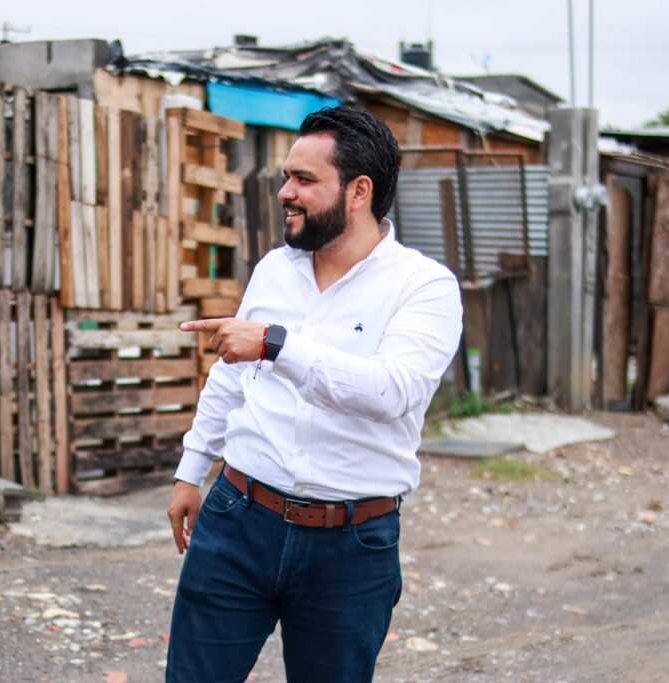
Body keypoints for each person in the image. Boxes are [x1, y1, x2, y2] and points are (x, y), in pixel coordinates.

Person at [166, 106, 463, 682]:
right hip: (238, 518)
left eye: (304, 180)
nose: (285, 192)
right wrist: (191, 468)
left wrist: (278, 344)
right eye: (286, 177)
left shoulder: (423, 287)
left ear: (359, 191)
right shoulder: (276, 269)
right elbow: (230, 374)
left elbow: (391, 390)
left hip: (351, 547)